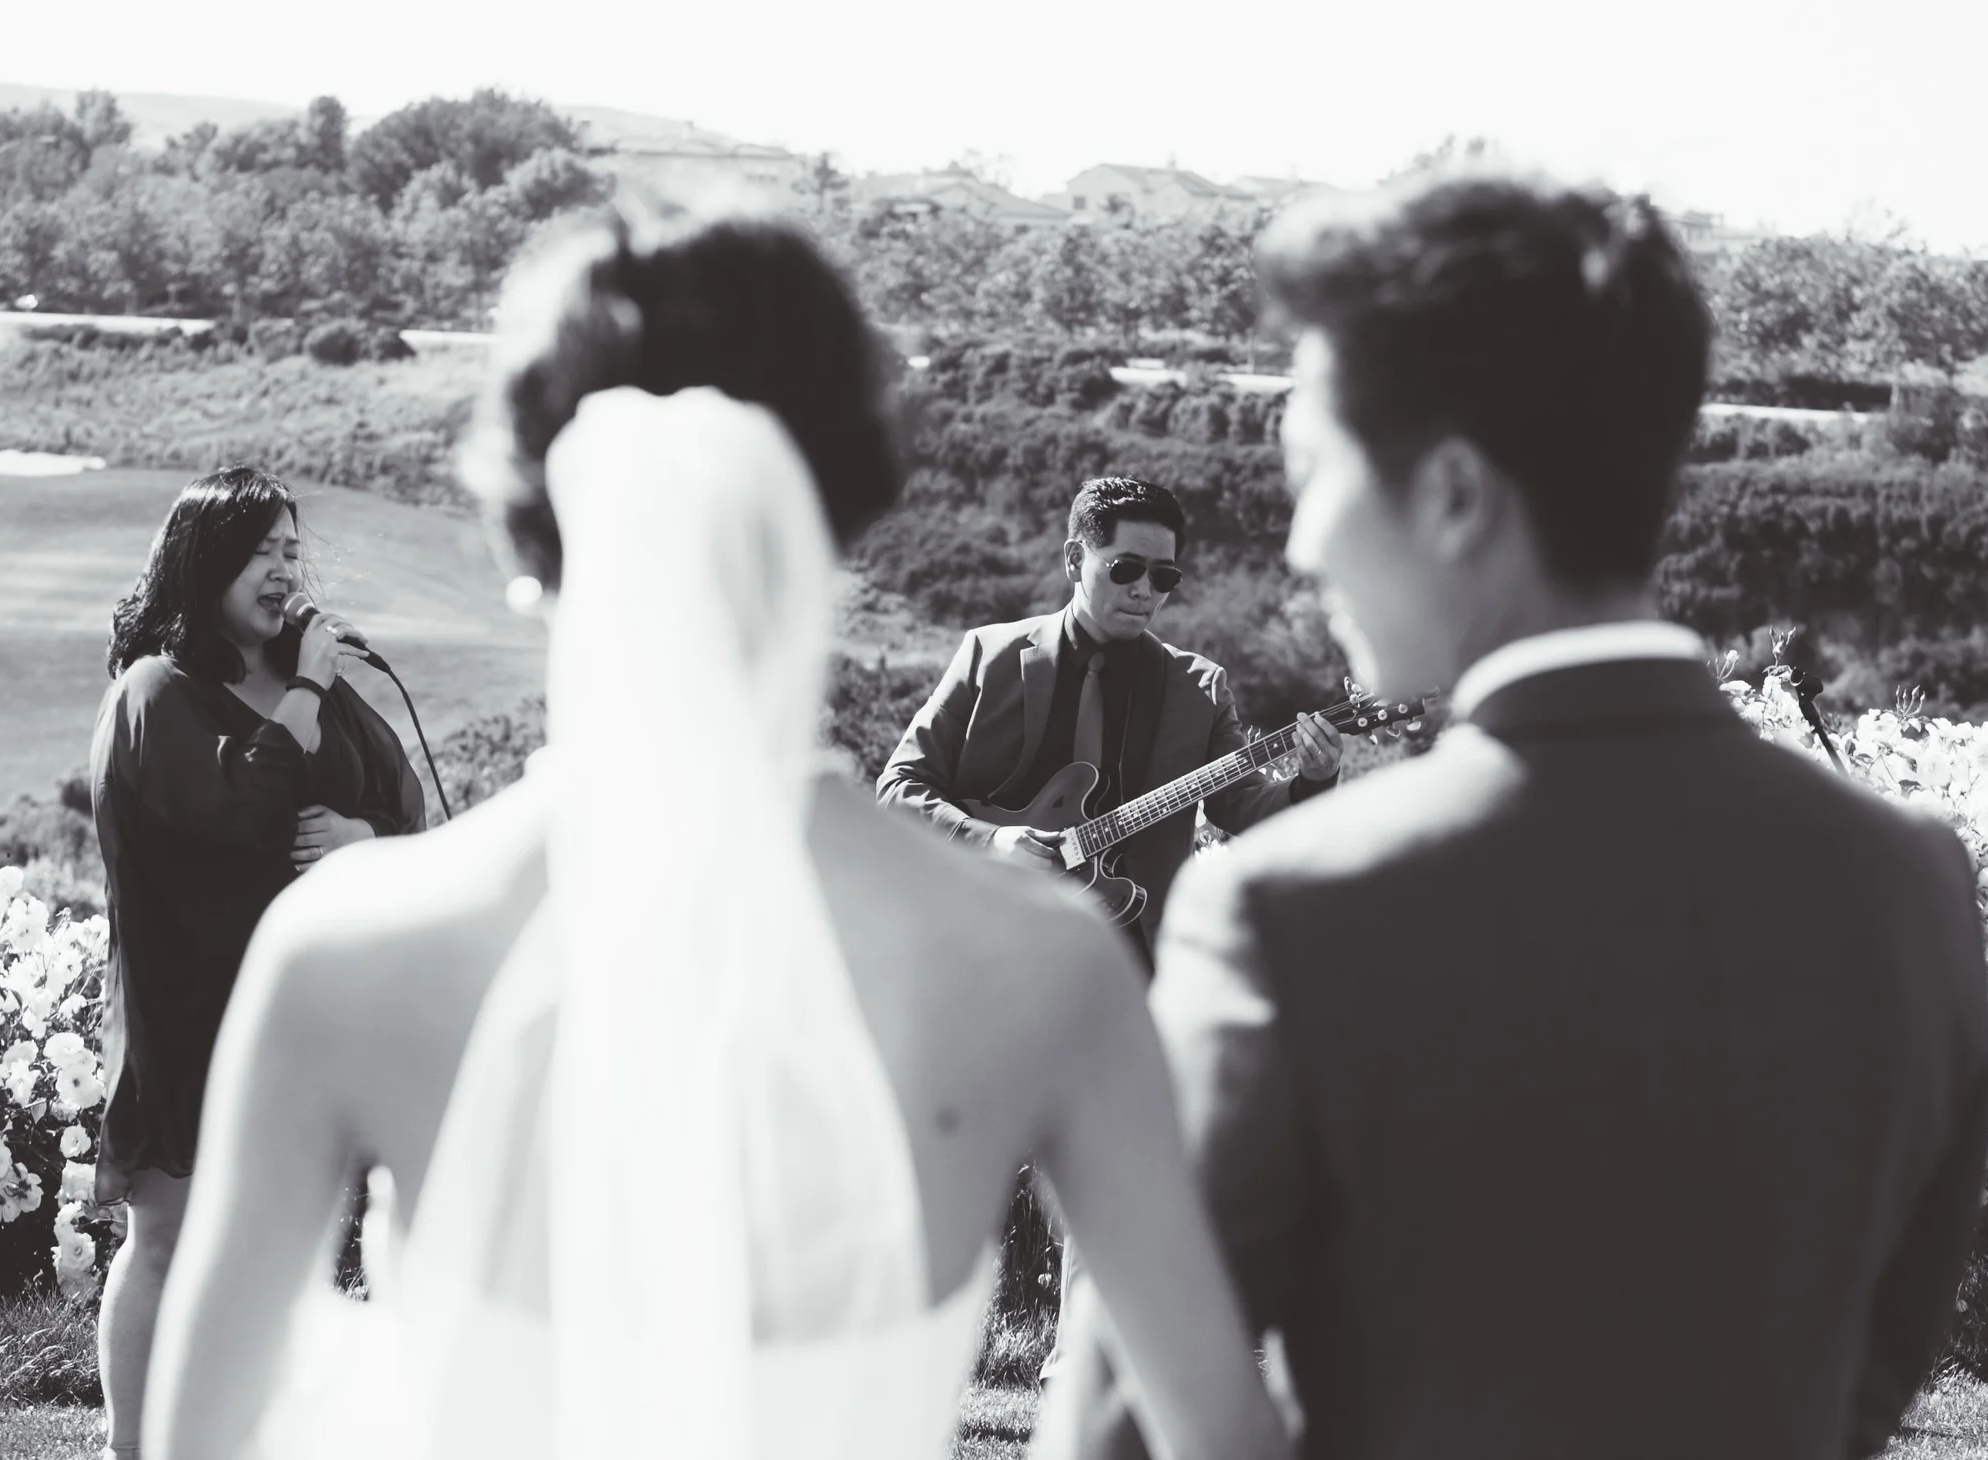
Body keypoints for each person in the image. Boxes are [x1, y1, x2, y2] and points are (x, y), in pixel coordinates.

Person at [141, 201, 1291, 1460]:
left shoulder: (346, 940)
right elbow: (1217, 1432)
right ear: (838, 521)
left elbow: (199, 1435)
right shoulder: (1041, 961)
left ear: (525, 533)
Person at [1042, 171, 1988, 1460]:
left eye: (1314, 476)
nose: (1304, 545)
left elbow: (1117, 1424)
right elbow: (1874, 1372)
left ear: (1451, 493)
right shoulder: (1910, 878)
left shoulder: (1291, 905)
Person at [88, 466, 424, 1460]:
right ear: (206, 565)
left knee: (289, 1244)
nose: (285, 571)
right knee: (167, 1238)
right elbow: (233, 816)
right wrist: (308, 689)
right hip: (190, 1004)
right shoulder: (156, 691)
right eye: (261, 553)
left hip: (310, 1009)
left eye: (291, 550)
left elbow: (401, 804)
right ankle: (133, 1445)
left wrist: (363, 834)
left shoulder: (316, 683)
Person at [877, 474, 1345, 968]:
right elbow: (899, 786)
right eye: (1126, 569)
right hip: (984, 935)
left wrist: (1312, 782)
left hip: (1128, 957)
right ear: (1074, 559)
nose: (1144, 591)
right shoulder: (988, 654)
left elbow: (1240, 805)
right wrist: (989, 839)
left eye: (1164, 577)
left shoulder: (1200, 687)